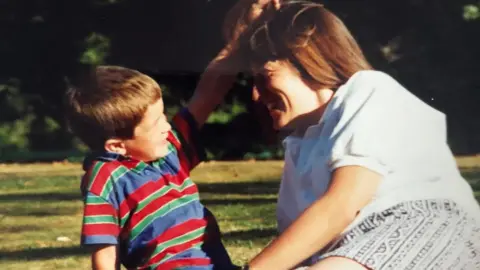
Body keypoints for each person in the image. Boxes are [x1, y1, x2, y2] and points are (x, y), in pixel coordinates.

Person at [224, 1, 480, 269]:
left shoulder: (367, 90)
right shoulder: (299, 146)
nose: (256, 94)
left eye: (264, 76)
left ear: (306, 59)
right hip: (348, 248)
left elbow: (342, 204)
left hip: (421, 225)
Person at [64, 45, 241, 269]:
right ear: (117, 145)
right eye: (156, 123)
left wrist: (238, 42)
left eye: (163, 116)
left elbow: (207, 95)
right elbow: (105, 251)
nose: (167, 127)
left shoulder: (168, 152)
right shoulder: (105, 178)